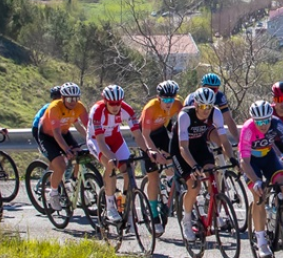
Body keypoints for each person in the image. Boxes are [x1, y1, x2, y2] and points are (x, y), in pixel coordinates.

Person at [239, 99, 283, 258]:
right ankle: (261, 241)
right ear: (253, 119)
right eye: (259, 121)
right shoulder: (247, 129)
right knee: (259, 196)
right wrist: (256, 180)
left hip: (269, 156)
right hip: (251, 163)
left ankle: (279, 215)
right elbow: (244, 161)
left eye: (266, 120)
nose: (263, 124)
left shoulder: (277, 124)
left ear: (271, 117)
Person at [175, 87, 229, 241]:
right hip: (181, 149)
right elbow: (182, 147)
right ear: (196, 104)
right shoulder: (185, 115)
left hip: (199, 145)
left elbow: (224, 140)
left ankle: (213, 211)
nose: (206, 110)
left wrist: (232, 158)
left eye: (209, 107)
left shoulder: (215, 113)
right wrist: (194, 166)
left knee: (214, 173)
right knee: (194, 185)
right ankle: (186, 219)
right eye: (203, 106)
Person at [87, 84, 141, 224]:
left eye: (118, 103)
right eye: (112, 104)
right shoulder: (97, 111)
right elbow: (100, 141)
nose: (116, 106)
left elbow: (138, 134)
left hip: (115, 138)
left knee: (129, 166)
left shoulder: (126, 109)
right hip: (97, 140)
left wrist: (149, 151)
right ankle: (110, 205)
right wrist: (111, 157)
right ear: (105, 101)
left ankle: (124, 203)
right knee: (110, 165)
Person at [135, 80, 181, 235]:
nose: (169, 103)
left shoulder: (177, 104)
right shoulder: (150, 108)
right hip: (147, 135)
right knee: (153, 175)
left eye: (171, 99)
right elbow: (145, 135)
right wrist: (153, 152)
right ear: (159, 98)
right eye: (165, 99)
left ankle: (170, 185)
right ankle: (154, 214)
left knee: (172, 159)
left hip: (161, 132)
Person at [38, 82, 90, 210]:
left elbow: (89, 127)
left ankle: (72, 181)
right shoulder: (54, 107)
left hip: (64, 133)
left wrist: (95, 141)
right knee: (60, 165)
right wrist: (66, 149)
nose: (73, 102)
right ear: (62, 97)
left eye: (76, 98)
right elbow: (56, 133)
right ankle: (53, 193)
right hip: (48, 136)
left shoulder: (79, 107)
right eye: (69, 99)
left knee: (80, 155)